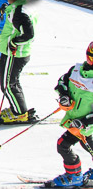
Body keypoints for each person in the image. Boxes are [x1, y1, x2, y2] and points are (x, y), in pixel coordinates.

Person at [49, 42, 93, 187]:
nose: (90, 61)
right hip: (76, 123)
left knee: (63, 145)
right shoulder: (76, 70)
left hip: (87, 125)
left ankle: (74, 177)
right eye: (90, 57)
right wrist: (64, 96)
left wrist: (84, 123)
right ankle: (75, 176)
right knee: (64, 145)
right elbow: (63, 81)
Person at [0, 0, 37, 123]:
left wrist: (14, 42)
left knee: (7, 85)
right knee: (12, 83)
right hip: (16, 53)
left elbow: (29, 34)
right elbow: (16, 15)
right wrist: (6, 8)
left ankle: (19, 113)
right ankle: (18, 108)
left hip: (14, 53)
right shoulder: (21, 5)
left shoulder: (20, 13)